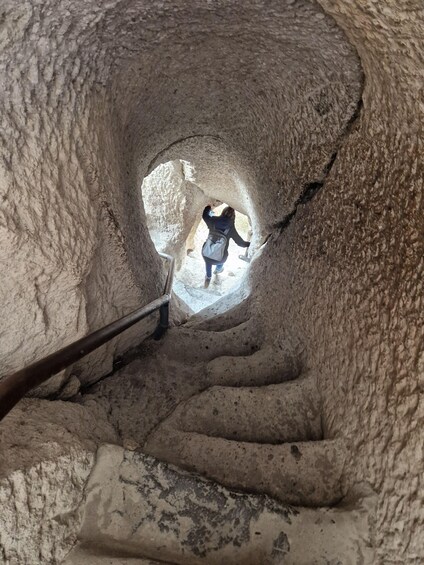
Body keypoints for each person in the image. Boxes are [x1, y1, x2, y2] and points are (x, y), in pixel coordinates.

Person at [201, 205, 250, 288]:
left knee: (208, 259)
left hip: (206, 253)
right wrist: (249, 244)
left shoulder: (212, 220)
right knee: (224, 256)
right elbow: (240, 243)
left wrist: (208, 207)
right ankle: (218, 269)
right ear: (233, 217)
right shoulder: (231, 228)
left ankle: (208, 277)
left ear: (222, 212)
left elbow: (204, 215)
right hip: (220, 259)